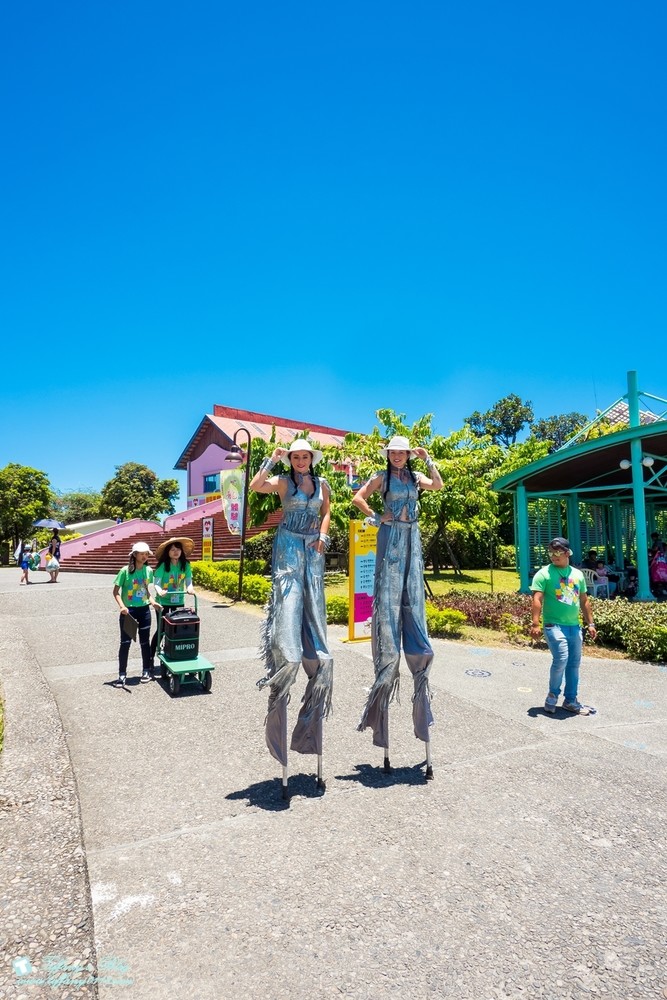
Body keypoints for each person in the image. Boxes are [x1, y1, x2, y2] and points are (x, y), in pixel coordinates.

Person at [351, 435, 443, 779]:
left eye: (402, 452)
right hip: (389, 538)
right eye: (394, 452)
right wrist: (377, 517)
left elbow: (438, 484)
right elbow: (358, 497)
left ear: (407, 454)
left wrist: (428, 457)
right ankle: (384, 683)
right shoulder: (383, 477)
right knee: (388, 603)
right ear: (388, 454)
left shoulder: (415, 477)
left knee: (412, 599)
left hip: (412, 537)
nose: (398, 456)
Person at [249, 438, 333, 798]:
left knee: (315, 613)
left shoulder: (322, 483)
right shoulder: (284, 481)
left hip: (312, 548)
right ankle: (282, 661)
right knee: (289, 604)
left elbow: (327, 510)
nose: (300, 460)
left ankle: (309, 728)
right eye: (295, 456)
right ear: (291, 459)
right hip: (287, 547)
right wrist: (271, 460)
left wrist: (324, 535)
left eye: (304, 456)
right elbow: (256, 486)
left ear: (311, 459)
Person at [530, 537, 597, 715]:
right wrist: (535, 623)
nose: (553, 556)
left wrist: (590, 623)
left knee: (574, 664)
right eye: (551, 552)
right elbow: (537, 599)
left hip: (574, 626)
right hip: (553, 625)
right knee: (561, 659)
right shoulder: (543, 574)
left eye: (557, 552)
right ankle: (552, 696)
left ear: (567, 553)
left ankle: (571, 700)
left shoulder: (578, 575)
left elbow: (584, 601)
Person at [112, 541, 160, 687]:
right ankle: (122, 675)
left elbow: (145, 590)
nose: (144, 556)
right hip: (129, 612)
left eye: (146, 554)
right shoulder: (124, 571)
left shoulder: (148, 570)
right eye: (141, 554)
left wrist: (153, 602)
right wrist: (122, 606)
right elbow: (115, 592)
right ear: (134, 554)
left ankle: (146, 671)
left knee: (145, 642)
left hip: (144, 610)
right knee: (125, 643)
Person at [151, 536, 195, 668]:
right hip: (163, 601)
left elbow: (188, 580)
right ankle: (150, 657)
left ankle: (175, 652)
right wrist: (160, 591)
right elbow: (157, 582)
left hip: (178, 601)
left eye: (178, 549)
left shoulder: (185, 565)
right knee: (162, 628)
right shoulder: (163, 565)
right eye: (172, 550)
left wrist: (190, 588)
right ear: (168, 552)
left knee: (178, 628)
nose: (175, 552)